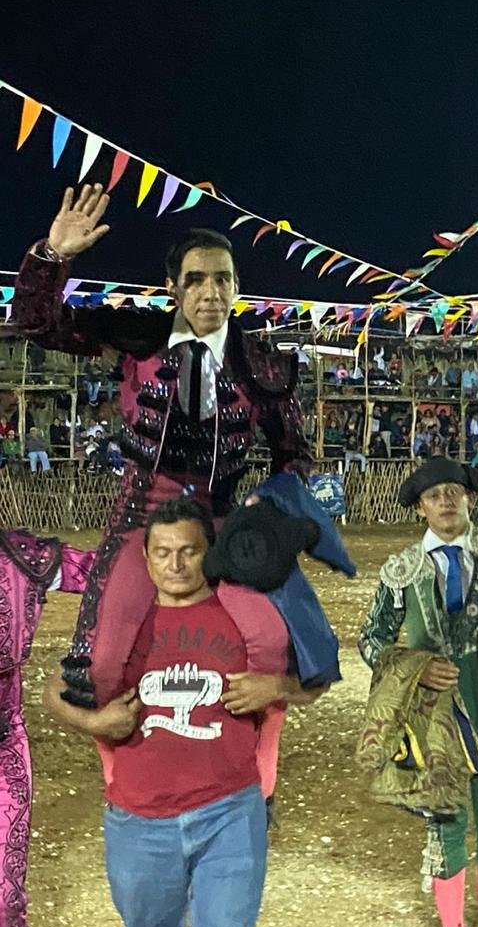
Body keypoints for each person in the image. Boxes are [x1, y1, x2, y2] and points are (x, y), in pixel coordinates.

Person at [43, 498, 326, 927]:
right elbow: (54, 690)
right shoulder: (121, 627)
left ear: (208, 553)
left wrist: (277, 687)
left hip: (229, 809)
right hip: (137, 818)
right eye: (163, 553)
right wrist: (95, 721)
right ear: (146, 558)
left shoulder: (242, 612)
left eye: (189, 552)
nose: (175, 565)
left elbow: (317, 676)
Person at [14, 183, 311, 709]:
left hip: (224, 520)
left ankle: (246, 760)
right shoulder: (137, 336)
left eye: (223, 279)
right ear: (172, 287)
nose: (211, 293)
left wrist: (267, 509)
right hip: (142, 516)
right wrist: (53, 255)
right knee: (101, 666)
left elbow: (294, 455)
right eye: (195, 280)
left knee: (271, 646)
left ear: (237, 286)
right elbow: (36, 323)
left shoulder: (262, 364)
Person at [359, 459, 478, 927]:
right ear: (421, 508)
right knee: (445, 819)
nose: (446, 501)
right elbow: (371, 640)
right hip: (434, 711)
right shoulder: (402, 570)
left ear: (469, 498)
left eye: (454, 491)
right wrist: (416, 666)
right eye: (434, 496)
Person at [0, 532, 95, 927]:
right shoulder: (22, 561)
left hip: (3, 752)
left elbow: (117, 574)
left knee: (3, 902)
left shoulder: (23, 559)